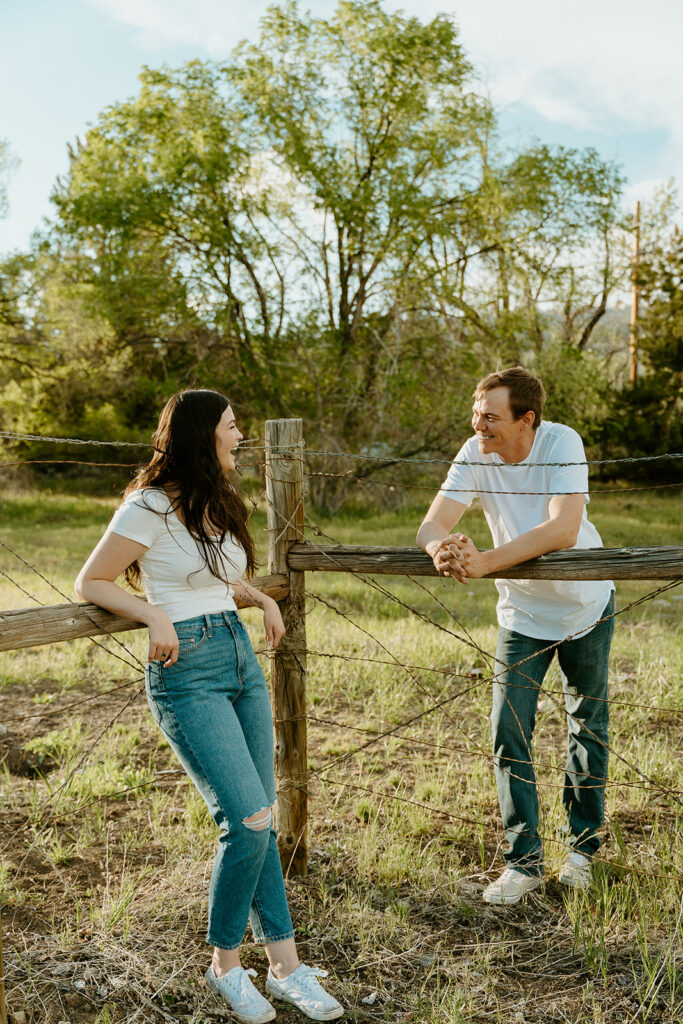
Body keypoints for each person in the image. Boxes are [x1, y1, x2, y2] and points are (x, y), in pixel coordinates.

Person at [75, 390, 343, 1023]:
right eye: (230, 426)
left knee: (264, 814)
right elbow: (92, 580)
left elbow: (216, 576)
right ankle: (225, 964)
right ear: (203, 435)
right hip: (185, 670)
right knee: (246, 821)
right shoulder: (147, 505)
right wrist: (150, 613)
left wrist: (261, 598)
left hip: (237, 655)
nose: (240, 435)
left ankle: (286, 966)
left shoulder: (213, 501)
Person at [417, 367, 614, 905]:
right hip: (521, 616)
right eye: (476, 414)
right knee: (509, 730)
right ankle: (523, 861)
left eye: (490, 416)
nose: (478, 425)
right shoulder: (475, 450)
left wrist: (483, 564)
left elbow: (562, 529)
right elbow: (431, 524)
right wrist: (442, 549)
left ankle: (583, 852)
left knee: (586, 725)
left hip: (585, 606)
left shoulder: (561, 443)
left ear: (527, 420)